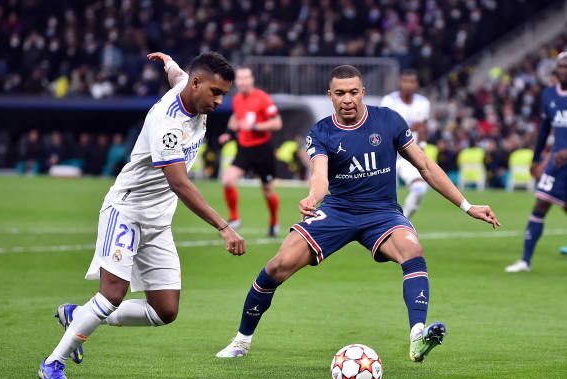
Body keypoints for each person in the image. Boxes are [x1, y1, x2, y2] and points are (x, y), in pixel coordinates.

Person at [216, 65, 500, 363]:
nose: (347, 99)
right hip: (337, 211)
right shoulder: (322, 131)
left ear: (362, 92)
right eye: (340, 93)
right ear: (330, 96)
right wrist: (313, 197)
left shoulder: (388, 120)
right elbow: (320, 176)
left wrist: (467, 206)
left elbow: (426, 167)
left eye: (353, 92)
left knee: (412, 248)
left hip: (382, 214)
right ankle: (241, 342)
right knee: (277, 265)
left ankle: (417, 336)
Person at [38, 51, 245, 379]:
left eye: (224, 93)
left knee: (164, 311)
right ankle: (52, 363)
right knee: (112, 294)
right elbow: (178, 182)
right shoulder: (169, 122)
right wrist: (223, 227)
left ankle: (78, 315)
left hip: (158, 222)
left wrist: (168, 62)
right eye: (216, 92)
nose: (221, 101)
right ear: (198, 84)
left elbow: (176, 75)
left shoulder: (188, 88)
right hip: (127, 211)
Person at [505, 52, 567, 272]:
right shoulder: (549, 95)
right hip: (557, 165)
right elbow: (544, 131)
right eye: (562, 66)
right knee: (541, 203)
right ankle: (525, 260)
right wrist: (535, 158)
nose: (564, 70)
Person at [219, 66, 283, 236]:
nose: (242, 82)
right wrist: (228, 133)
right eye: (239, 78)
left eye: (246, 78)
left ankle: (274, 222)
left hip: (263, 149)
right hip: (244, 149)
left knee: (267, 190)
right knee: (227, 180)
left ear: (252, 80)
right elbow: (235, 118)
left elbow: (277, 123)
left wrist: (254, 126)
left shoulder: (263, 98)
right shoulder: (237, 99)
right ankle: (234, 218)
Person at [381, 70, 431, 218]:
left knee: (420, 188)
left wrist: (422, 147)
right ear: (400, 82)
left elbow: (422, 127)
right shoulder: (389, 101)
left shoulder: (423, 103)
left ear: (417, 84)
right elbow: (384, 128)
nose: (408, 85)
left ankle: (404, 220)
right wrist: (409, 128)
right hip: (389, 153)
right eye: (405, 81)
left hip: (409, 154)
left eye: (412, 82)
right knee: (385, 197)